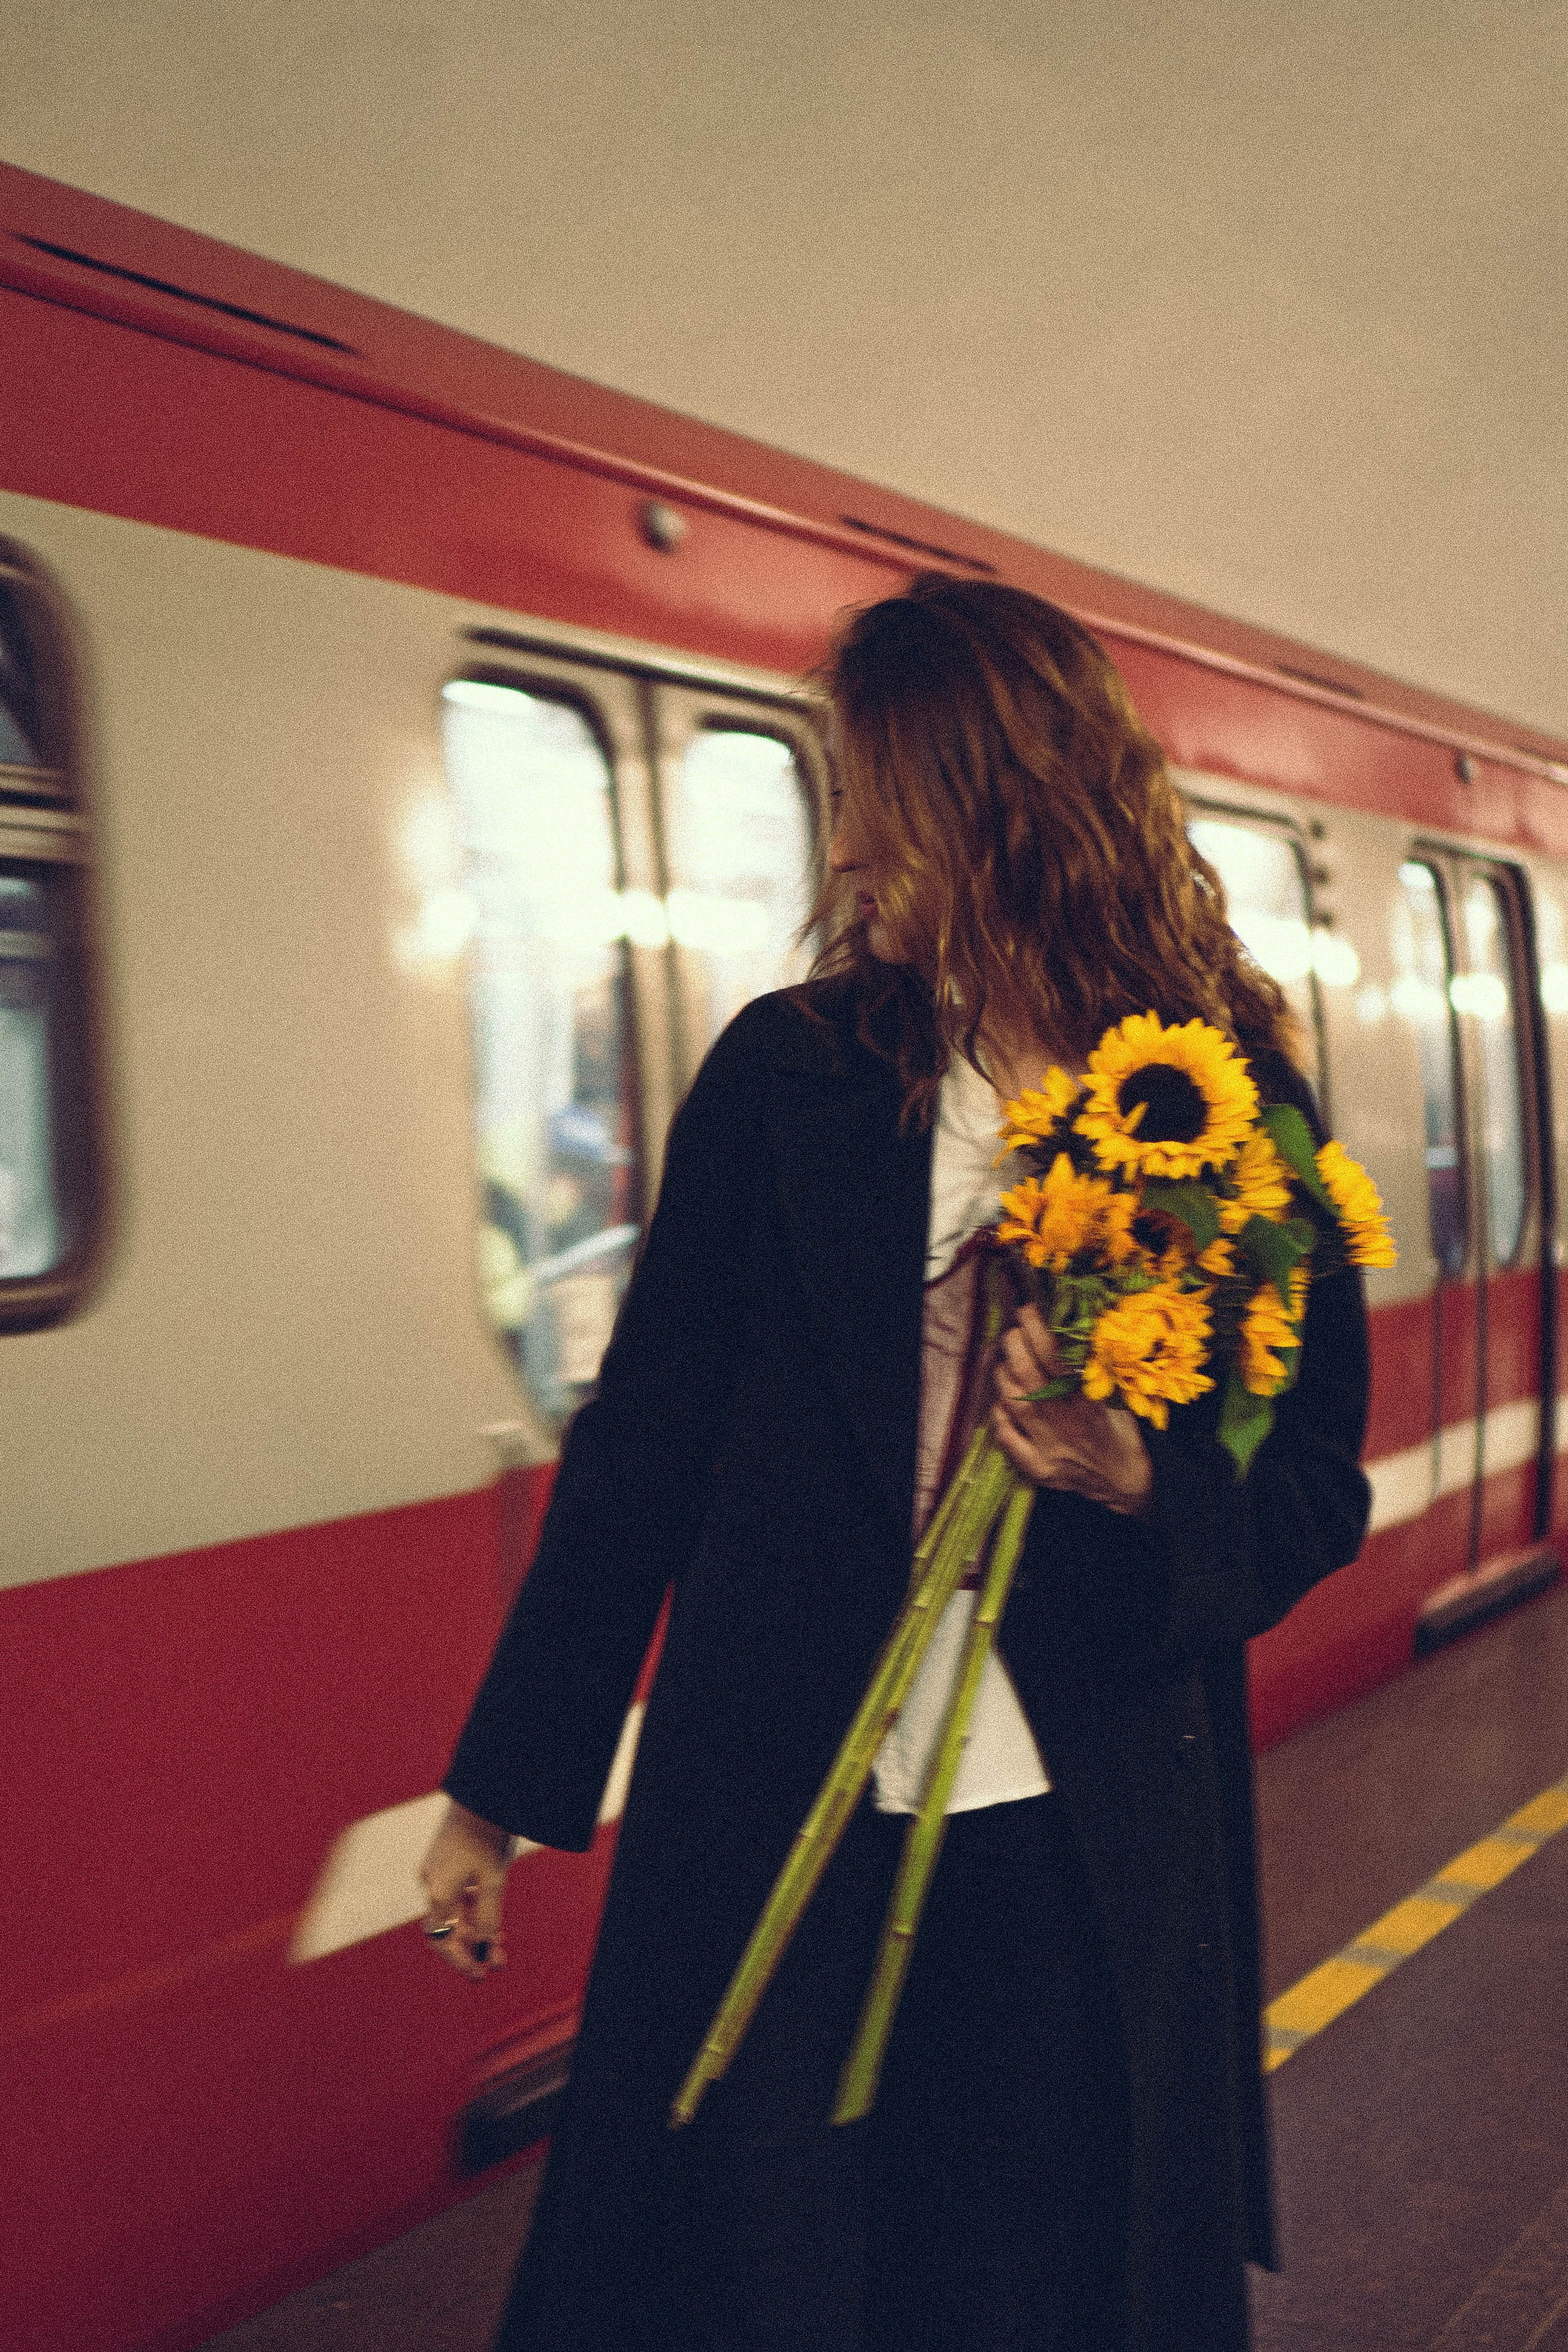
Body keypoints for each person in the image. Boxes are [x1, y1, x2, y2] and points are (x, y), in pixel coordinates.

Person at [418, 576, 1373, 2352]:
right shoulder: (788, 1079)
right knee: (761, 2275)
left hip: (1071, 1856)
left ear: (995, 799)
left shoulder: (1225, 1110)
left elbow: (1319, 1481)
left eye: (872, 791)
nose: (848, 841)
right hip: (780, 1811)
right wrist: (496, 1790)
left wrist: (1134, 1475)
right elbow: (642, 1448)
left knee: (1018, 2286)